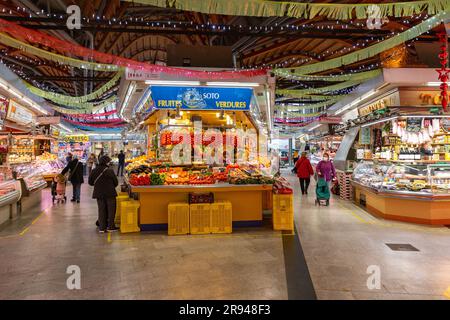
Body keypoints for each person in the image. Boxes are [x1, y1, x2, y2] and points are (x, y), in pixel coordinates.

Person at [89, 155, 119, 233]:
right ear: (106, 162)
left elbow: (90, 182)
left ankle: (102, 228)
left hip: (99, 193)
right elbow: (116, 182)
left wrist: (98, 185)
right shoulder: (109, 171)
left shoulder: (94, 170)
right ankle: (110, 227)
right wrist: (110, 186)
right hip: (110, 193)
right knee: (111, 210)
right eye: (108, 161)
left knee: (101, 210)